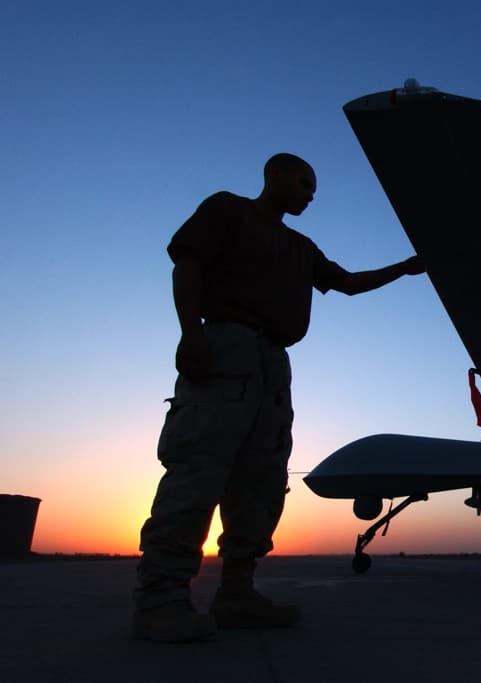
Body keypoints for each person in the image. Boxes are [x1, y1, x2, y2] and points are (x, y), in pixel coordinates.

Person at [133, 153, 424, 642]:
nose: (310, 194)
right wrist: (191, 333)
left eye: (314, 189)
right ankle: (160, 599)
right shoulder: (228, 209)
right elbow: (187, 265)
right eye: (303, 183)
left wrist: (407, 268)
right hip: (225, 346)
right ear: (274, 175)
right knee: (198, 469)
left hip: (273, 364)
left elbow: (348, 283)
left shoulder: (301, 247)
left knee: (262, 481)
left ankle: (236, 593)